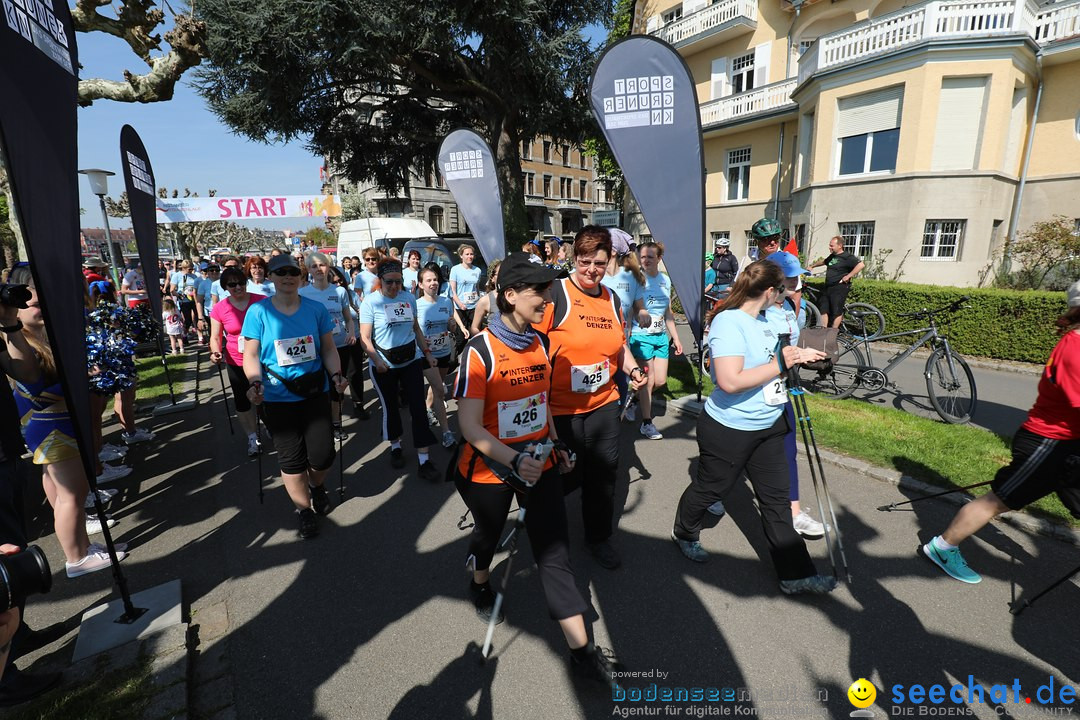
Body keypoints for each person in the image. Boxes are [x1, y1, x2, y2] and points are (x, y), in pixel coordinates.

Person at [453, 252, 623, 686]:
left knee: (555, 554)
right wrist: (514, 460)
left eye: (549, 289)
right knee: (488, 536)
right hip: (489, 469)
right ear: (509, 296)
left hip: (539, 462)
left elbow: (540, 405)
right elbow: (469, 425)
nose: (548, 298)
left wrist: (555, 445)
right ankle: (478, 582)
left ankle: (582, 654)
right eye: (538, 291)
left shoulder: (541, 344)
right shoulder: (479, 351)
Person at [671, 260, 836, 595]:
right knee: (711, 488)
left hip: (769, 423)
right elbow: (731, 382)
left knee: (776, 502)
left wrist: (799, 354)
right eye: (783, 290)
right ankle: (685, 531)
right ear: (769, 291)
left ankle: (795, 575)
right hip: (729, 428)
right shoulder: (729, 322)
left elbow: (771, 357)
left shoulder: (765, 317)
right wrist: (781, 363)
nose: (786, 295)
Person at [921, 281, 1080, 584]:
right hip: (1048, 445)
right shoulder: (1075, 347)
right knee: (999, 500)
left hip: (1070, 445)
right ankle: (942, 547)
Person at [3, 266, 128, 577]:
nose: (43, 307)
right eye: (35, 303)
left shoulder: (40, 340)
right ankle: (76, 558)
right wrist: (83, 377)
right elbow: (36, 391)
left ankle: (83, 547)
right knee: (72, 495)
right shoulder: (23, 344)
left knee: (65, 494)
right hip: (53, 427)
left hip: (58, 425)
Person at [535, 227, 647, 570]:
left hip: (603, 402)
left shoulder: (612, 299)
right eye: (585, 262)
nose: (591, 270)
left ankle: (598, 538)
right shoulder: (556, 293)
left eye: (599, 263)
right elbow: (532, 346)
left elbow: (619, 345)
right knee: (563, 475)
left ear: (609, 260)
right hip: (560, 409)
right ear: (573, 257)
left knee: (603, 472)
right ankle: (546, 535)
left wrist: (631, 369)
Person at [241, 254, 348, 539]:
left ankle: (316, 485)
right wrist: (254, 381)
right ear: (271, 277)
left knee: (322, 455)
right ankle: (304, 511)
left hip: (315, 392)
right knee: (291, 460)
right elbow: (250, 354)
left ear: (300, 277)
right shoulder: (258, 312)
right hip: (277, 396)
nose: (287, 277)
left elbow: (328, 348)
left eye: (292, 272)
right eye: (280, 273)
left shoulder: (315, 309)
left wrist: (336, 374)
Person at [358, 259, 440, 481]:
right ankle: (395, 446)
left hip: (410, 360)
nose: (394, 286)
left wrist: (427, 353)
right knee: (391, 407)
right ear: (380, 280)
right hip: (384, 364)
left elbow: (416, 328)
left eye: (398, 281)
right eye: (389, 282)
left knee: (419, 409)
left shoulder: (408, 298)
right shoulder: (370, 303)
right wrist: (376, 360)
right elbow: (365, 338)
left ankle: (425, 460)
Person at [628, 240, 683, 440]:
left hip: (660, 336)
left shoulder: (665, 281)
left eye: (650, 257)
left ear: (659, 259)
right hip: (641, 336)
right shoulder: (636, 279)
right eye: (642, 257)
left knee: (659, 380)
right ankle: (647, 423)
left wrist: (675, 338)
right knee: (649, 380)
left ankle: (633, 400)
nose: (645, 260)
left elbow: (668, 311)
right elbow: (631, 308)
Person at [210, 267, 266, 456]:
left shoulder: (261, 302)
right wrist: (216, 352)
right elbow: (215, 337)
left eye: (241, 282)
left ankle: (270, 425)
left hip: (262, 358)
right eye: (232, 284)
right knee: (243, 402)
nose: (238, 287)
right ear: (225, 287)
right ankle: (252, 437)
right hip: (236, 360)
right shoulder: (220, 308)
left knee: (265, 397)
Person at [299, 252, 356, 438]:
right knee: (317, 388)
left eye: (322, 265)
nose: (318, 269)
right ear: (308, 270)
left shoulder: (339, 291)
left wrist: (351, 332)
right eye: (314, 266)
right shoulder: (303, 293)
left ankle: (337, 423)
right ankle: (320, 424)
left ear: (328, 267)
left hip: (339, 346)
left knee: (337, 386)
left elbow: (348, 318)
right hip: (314, 350)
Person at [416, 265, 468, 448]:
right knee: (439, 389)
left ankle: (427, 408)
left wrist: (453, 325)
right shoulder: (416, 305)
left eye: (435, 280)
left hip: (444, 352)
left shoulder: (446, 302)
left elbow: (450, 329)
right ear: (421, 285)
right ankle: (447, 433)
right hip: (425, 354)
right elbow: (415, 331)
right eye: (428, 280)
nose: (433, 283)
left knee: (435, 384)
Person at [808, 235, 864, 329]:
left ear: (840, 245)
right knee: (824, 309)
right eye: (830, 245)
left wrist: (849, 276)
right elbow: (824, 261)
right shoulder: (833, 256)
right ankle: (824, 331)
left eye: (832, 246)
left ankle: (833, 332)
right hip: (828, 287)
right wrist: (812, 266)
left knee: (836, 311)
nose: (830, 247)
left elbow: (861, 265)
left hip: (839, 287)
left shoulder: (847, 256)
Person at [735, 218, 784, 283]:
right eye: (767, 239)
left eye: (776, 237)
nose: (772, 242)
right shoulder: (748, 259)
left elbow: (796, 291)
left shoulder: (787, 260)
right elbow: (738, 284)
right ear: (756, 242)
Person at [167, 259, 204, 344]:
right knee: (187, 320)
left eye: (192, 269)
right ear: (184, 268)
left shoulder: (194, 276)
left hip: (194, 298)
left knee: (198, 317)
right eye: (189, 269)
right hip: (184, 299)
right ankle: (184, 334)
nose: (191, 271)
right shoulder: (177, 276)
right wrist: (179, 295)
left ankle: (200, 337)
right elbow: (172, 290)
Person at [449, 244, 482, 336]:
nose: (470, 256)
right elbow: (453, 292)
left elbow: (477, 288)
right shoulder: (455, 270)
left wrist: (479, 302)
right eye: (467, 254)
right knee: (461, 337)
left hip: (474, 307)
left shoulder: (477, 270)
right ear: (461, 256)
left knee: (475, 334)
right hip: (461, 308)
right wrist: (460, 304)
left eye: (471, 254)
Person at [468, 261, 502, 336]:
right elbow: (474, 328)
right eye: (500, 273)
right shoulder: (485, 300)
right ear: (492, 278)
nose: (503, 276)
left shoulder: (517, 296)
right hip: (495, 344)